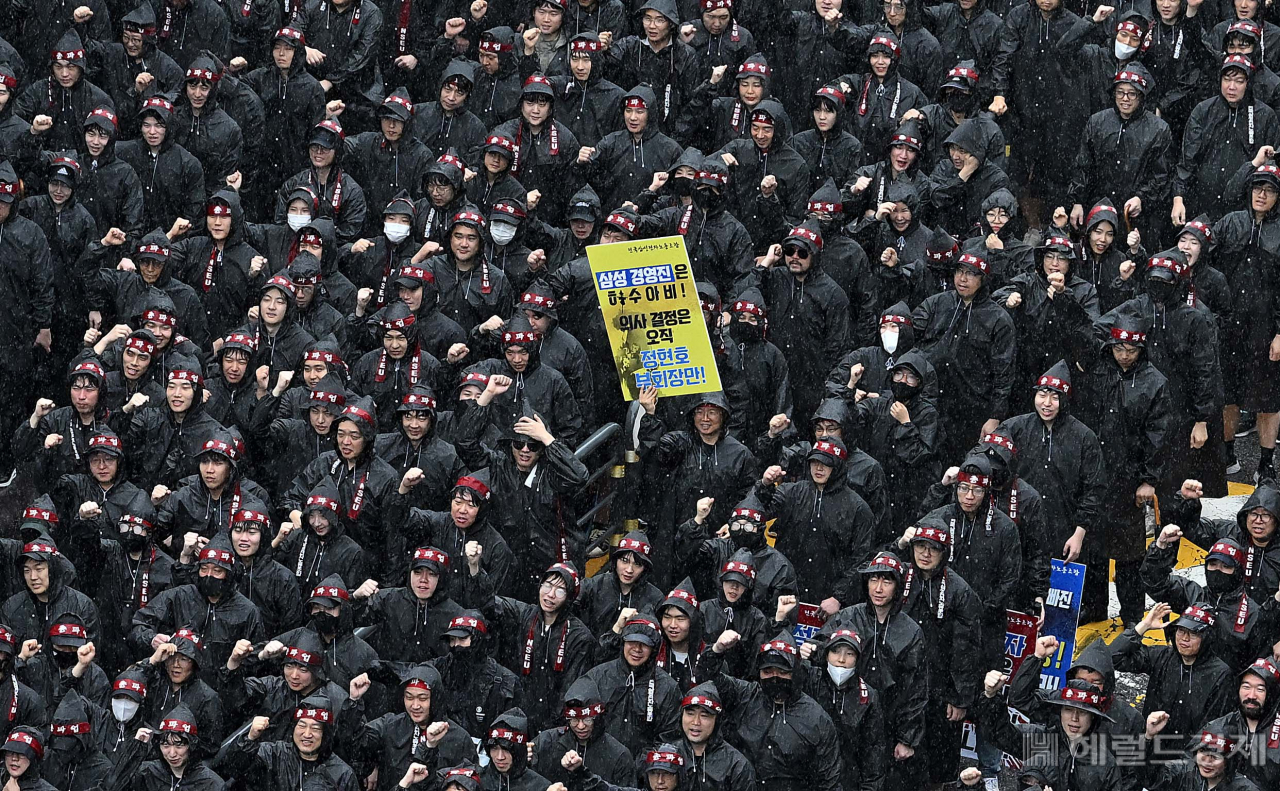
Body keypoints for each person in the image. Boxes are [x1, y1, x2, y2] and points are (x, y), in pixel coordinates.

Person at [694, 629, 842, 791]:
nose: (775, 677)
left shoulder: (817, 718)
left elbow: (829, 780)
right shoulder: (744, 695)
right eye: (767, 671)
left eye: (783, 672)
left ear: (795, 672)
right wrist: (717, 649)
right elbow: (706, 679)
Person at [1110, 603, 1233, 743]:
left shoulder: (1221, 675)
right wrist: (1143, 626)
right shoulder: (1162, 655)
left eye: (1193, 633)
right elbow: (1113, 657)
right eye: (1181, 630)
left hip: (1190, 756)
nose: (1184, 638)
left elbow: (1213, 728)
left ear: (1207, 637)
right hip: (1151, 745)